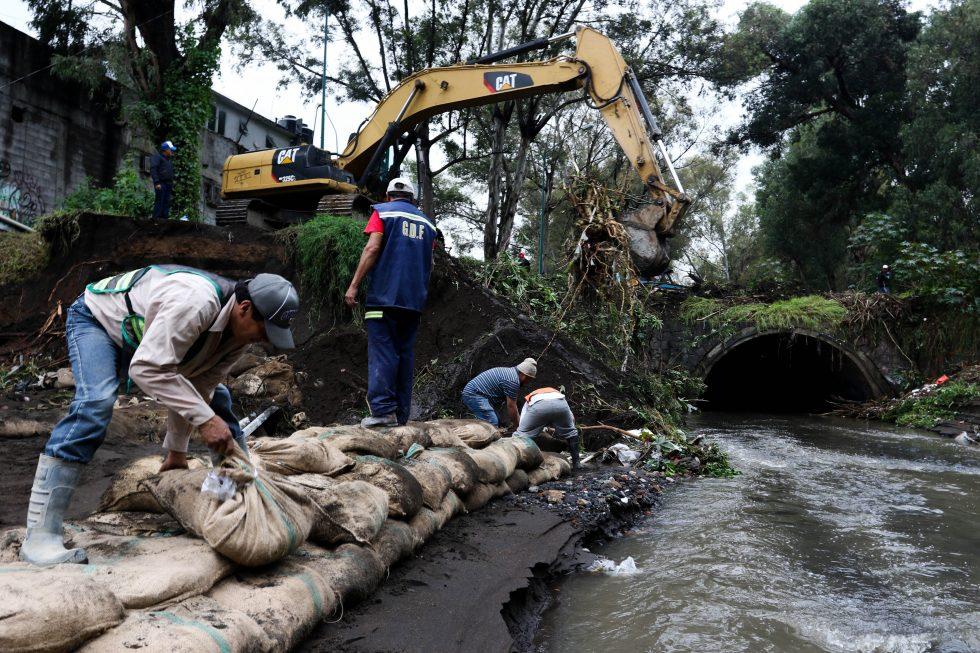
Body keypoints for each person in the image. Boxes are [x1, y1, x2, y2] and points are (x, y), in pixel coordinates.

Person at [20, 265, 299, 566]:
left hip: (144, 339)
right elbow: (147, 369)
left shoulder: (237, 337)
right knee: (96, 402)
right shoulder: (195, 303)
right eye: (264, 331)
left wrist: (176, 452)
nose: (264, 341)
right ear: (244, 308)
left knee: (218, 399)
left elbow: (195, 385)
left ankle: (237, 498)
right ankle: (40, 536)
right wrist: (204, 421)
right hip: (97, 321)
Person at [345, 177, 436, 428]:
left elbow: (372, 248)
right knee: (404, 355)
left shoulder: (382, 213)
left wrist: (353, 285)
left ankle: (384, 412)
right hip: (413, 303)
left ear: (387, 196)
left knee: (383, 352)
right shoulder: (428, 224)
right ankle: (402, 415)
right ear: (412, 199)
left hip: (383, 299)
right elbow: (429, 261)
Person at [513, 387, 580, 470]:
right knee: (572, 433)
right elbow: (572, 418)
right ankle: (577, 463)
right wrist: (568, 430)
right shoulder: (557, 395)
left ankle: (517, 462)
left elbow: (522, 423)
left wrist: (523, 431)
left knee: (520, 435)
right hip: (560, 404)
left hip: (538, 405)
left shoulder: (529, 400)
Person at [461, 358, 537, 428]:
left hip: (479, 393)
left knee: (497, 421)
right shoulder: (513, 381)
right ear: (525, 375)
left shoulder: (511, 374)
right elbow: (511, 406)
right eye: (529, 379)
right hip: (474, 394)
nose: (528, 382)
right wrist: (519, 428)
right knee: (492, 423)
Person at [151, 140, 176, 219]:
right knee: (160, 201)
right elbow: (153, 169)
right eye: (171, 149)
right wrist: (156, 182)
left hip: (168, 184)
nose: (172, 151)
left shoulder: (168, 160)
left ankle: (164, 220)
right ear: (166, 150)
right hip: (161, 183)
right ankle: (156, 219)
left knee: (166, 202)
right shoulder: (158, 157)